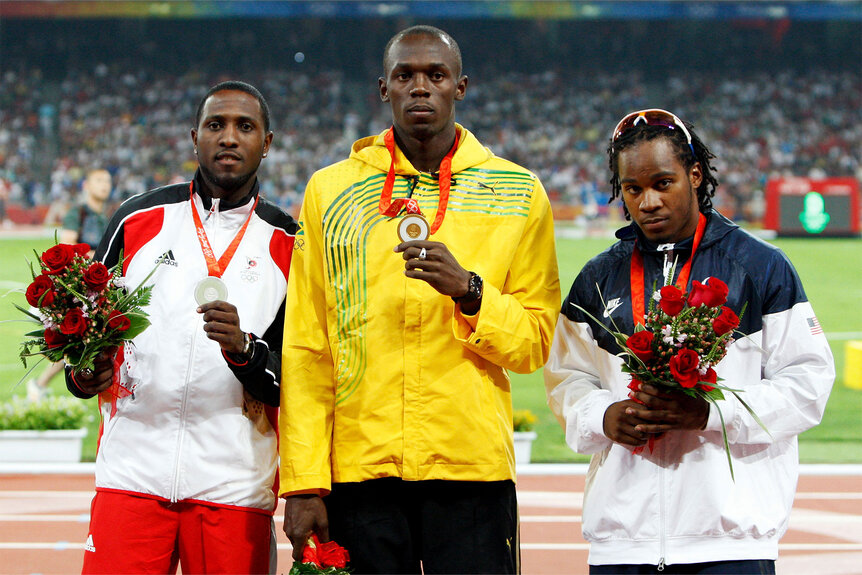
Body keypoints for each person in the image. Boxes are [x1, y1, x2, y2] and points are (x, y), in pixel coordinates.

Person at [280, 25, 560, 573]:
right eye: (405, 76)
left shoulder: (519, 192)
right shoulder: (330, 191)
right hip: (361, 472)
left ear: (461, 86)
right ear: (383, 89)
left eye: (436, 74)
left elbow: (535, 344)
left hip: (471, 470)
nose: (421, 87)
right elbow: (307, 346)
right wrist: (304, 482)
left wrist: (472, 294)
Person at [544, 109, 835, 574]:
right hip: (623, 540)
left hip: (729, 542)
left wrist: (712, 412)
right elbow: (567, 379)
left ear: (695, 174)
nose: (648, 202)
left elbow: (808, 382)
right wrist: (603, 414)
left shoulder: (760, 267)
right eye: (633, 189)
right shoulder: (597, 278)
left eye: (663, 183)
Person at [64, 81, 298, 574]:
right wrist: (84, 375)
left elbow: (295, 381)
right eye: (216, 125)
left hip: (233, 487)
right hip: (131, 475)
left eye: (245, 127)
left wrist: (245, 352)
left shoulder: (288, 245)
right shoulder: (138, 219)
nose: (229, 138)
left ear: (268, 143)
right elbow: (83, 334)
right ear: (195, 137)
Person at [28, 168, 112, 402]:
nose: (105, 185)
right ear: (86, 185)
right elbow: (67, 247)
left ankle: (40, 385)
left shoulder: (104, 216)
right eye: (99, 180)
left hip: (97, 287)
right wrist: (101, 256)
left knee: (86, 343)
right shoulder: (78, 213)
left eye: (107, 180)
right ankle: (40, 384)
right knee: (76, 342)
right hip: (77, 289)